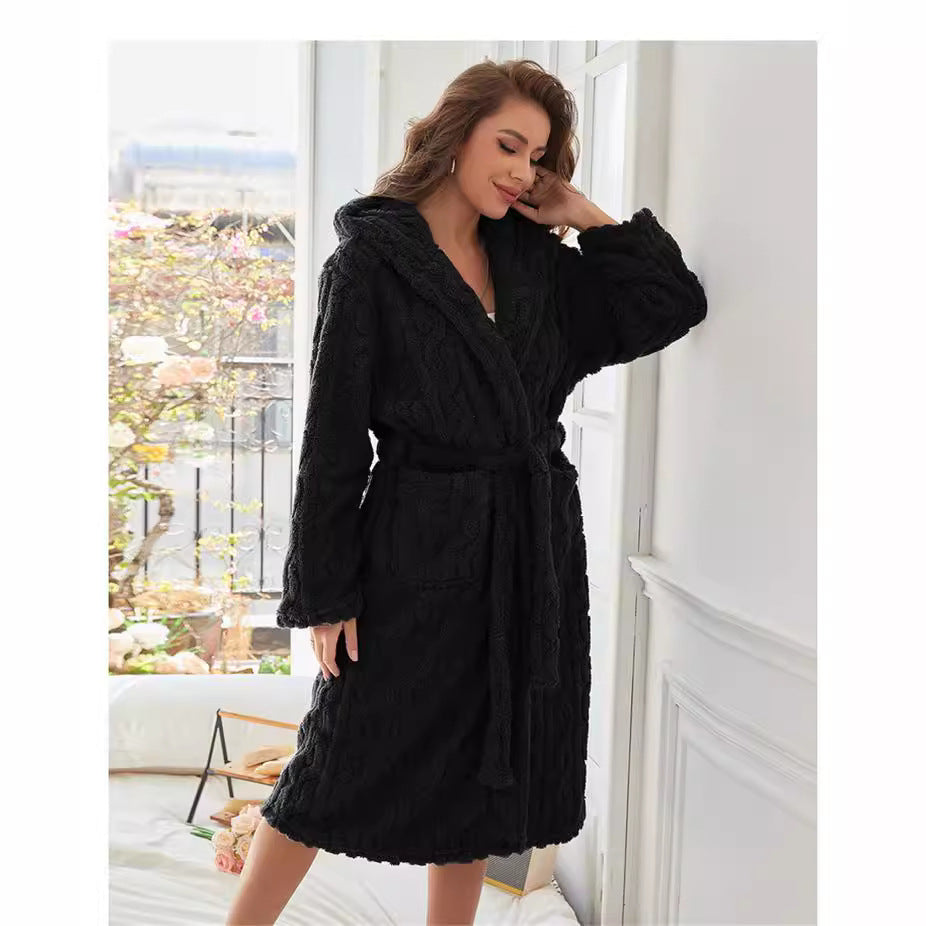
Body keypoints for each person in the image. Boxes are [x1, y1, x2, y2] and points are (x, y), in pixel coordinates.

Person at [227, 57, 708, 926]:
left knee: (488, 763)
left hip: (528, 547)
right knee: (332, 760)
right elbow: (333, 442)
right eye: (508, 146)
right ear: (456, 136)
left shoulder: (536, 267)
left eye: (539, 158)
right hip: (412, 548)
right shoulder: (371, 265)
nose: (522, 171)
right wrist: (327, 595)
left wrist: (584, 215)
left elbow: (669, 306)